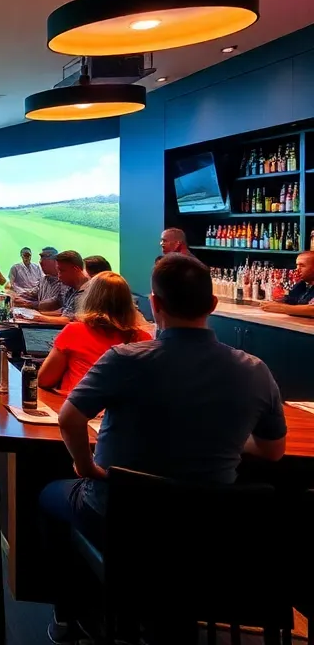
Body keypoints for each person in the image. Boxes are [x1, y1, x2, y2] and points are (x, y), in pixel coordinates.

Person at [39, 254, 286, 642]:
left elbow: (69, 420)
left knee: (49, 496)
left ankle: (71, 616)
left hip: (121, 516)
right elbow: (272, 452)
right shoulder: (254, 369)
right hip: (210, 527)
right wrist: (228, 435)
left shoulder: (124, 359)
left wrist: (87, 468)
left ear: (154, 305)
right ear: (213, 305)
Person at [37, 272, 152, 396]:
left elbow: (44, 380)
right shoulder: (144, 339)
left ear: (90, 298)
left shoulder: (74, 331)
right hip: (121, 412)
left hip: (75, 409)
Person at [32, 250, 90, 324]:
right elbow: (64, 312)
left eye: (61, 271)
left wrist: (40, 318)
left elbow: (68, 320)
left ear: (75, 270)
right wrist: (36, 315)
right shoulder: (70, 289)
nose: (59, 276)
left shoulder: (87, 292)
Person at [260, 251, 314, 317]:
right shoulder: (302, 284)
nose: (297, 269)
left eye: (302, 266)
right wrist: (278, 300)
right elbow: (290, 300)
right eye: (297, 265)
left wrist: (281, 308)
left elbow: (312, 310)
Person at [13, 247, 69, 311]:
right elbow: (33, 293)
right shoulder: (43, 280)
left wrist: (27, 303)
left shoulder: (64, 281)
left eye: (43, 257)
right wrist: (15, 296)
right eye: (41, 258)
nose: (40, 262)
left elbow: (54, 303)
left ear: (55, 260)